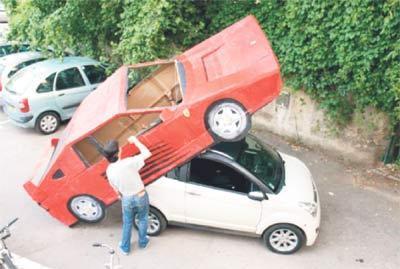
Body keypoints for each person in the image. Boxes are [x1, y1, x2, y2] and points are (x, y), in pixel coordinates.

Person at [103, 136, 152, 255]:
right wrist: (135, 141)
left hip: (126, 198)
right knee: (143, 218)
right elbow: (147, 153)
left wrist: (122, 196)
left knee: (127, 222)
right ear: (118, 151)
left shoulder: (109, 170)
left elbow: (114, 188)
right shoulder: (129, 162)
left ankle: (125, 248)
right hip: (140, 195)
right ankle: (143, 242)